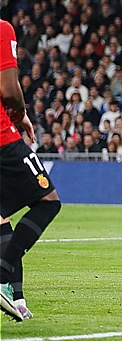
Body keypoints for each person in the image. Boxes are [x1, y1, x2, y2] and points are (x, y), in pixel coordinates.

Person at [0, 19, 62, 321]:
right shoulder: (2, 29)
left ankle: (18, 298)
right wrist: (20, 115)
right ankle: (0, 279)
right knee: (48, 201)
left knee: (1, 220)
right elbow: (9, 89)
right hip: (2, 140)